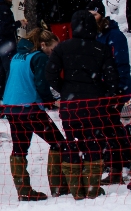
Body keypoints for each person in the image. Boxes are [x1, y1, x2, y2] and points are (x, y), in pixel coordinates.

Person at [47, 10, 122, 199]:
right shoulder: (101, 49)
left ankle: (75, 189)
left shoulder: (62, 48)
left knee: (72, 142)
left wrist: (65, 89)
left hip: (70, 106)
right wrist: (105, 93)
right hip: (94, 105)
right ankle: (91, 187)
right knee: (93, 143)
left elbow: (50, 74)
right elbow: (113, 79)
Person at [0, 29, 66, 201]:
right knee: (59, 143)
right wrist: (49, 102)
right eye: (53, 49)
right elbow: (41, 83)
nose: (53, 53)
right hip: (30, 109)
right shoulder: (39, 57)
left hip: (12, 108)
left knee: (19, 149)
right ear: (43, 44)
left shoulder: (16, 56)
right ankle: (59, 187)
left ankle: (24, 191)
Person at [89, 0, 131, 184]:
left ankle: (130, 160)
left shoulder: (114, 36)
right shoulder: (95, 35)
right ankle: (116, 169)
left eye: (95, 15)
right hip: (104, 90)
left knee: (115, 128)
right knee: (109, 129)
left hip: (118, 89)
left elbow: (121, 64)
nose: (92, 18)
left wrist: (118, 90)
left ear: (102, 14)